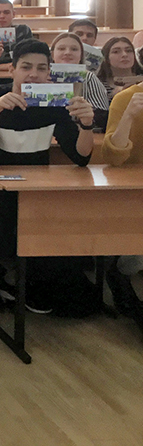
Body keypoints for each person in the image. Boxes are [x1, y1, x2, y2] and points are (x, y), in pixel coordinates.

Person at [0, 39, 95, 314]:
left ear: (49, 72)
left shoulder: (54, 101)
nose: (33, 74)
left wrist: (86, 125)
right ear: (12, 69)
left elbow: (80, 157)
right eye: (26, 67)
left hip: (37, 187)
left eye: (41, 68)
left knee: (49, 220)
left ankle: (35, 284)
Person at [98, 83, 143, 322]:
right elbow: (113, 158)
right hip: (132, 195)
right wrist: (129, 116)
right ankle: (120, 270)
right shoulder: (127, 98)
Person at [50, 32, 109, 130]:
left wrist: (87, 115)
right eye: (61, 48)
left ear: (81, 55)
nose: (67, 52)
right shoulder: (39, 77)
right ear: (52, 54)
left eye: (74, 49)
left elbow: (103, 117)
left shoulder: (88, 77)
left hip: (82, 132)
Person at [97, 36, 143, 101]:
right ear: (106, 58)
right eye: (116, 52)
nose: (124, 54)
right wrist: (114, 97)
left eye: (129, 51)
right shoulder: (98, 85)